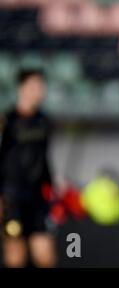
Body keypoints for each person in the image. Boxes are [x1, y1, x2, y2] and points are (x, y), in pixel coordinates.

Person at [0, 69, 56, 268]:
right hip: (12, 197)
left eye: (41, 86)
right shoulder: (7, 121)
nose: (38, 91)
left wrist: (53, 188)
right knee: (15, 257)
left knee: (45, 255)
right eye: (33, 86)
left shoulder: (44, 121)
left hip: (38, 198)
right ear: (21, 88)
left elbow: (43, 159)